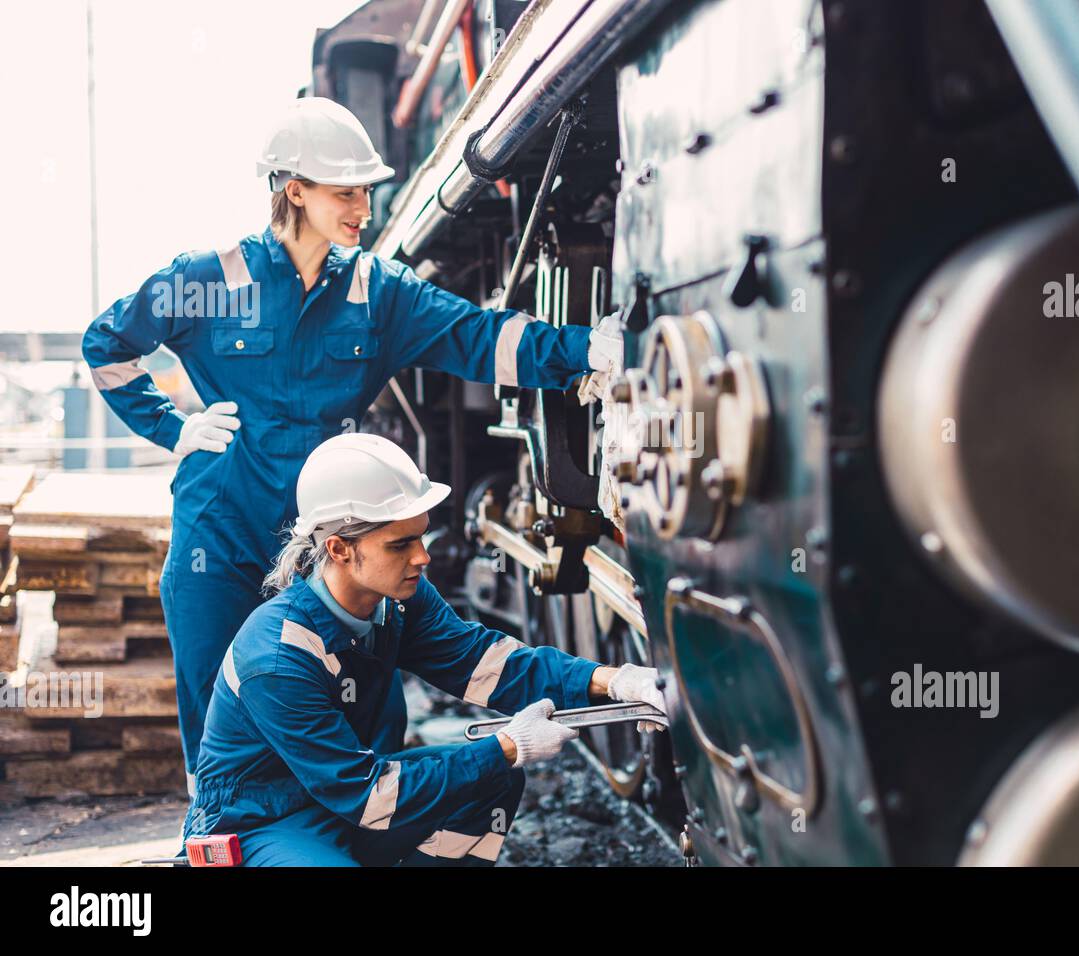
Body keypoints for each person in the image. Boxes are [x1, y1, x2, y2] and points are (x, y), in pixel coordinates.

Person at [80, 98, 625, 792]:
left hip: (326, 549)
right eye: (346, 192)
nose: (364, 208)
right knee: (221, 730)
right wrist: (171, 428)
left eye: (367, 190)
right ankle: (218, 842)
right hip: (219, 541)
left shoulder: (378, 292)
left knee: (359, 718)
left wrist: (588, 352)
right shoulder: (210, 281)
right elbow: (106, 345)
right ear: (293, 191)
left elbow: (481, 339)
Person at [182, 433, 664, 866]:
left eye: (421, 535)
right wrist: (510, 745)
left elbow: (488, 666)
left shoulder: (396, 600)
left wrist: (617, 682)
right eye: (401, 544)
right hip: (262, 821)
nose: (423, 556)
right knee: (492, 763)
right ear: (339, 550)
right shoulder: (278, 658)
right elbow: (370, 797)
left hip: (344, 795)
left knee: (494, 780)